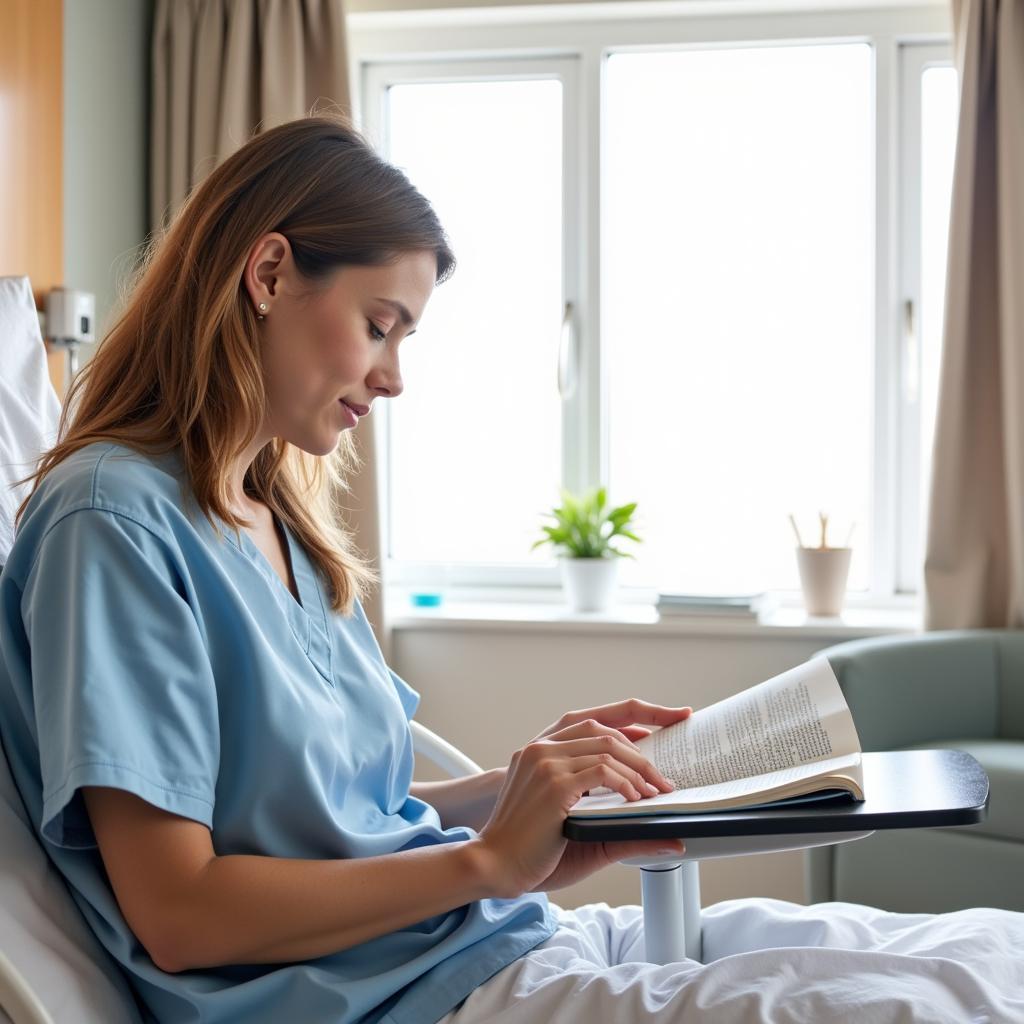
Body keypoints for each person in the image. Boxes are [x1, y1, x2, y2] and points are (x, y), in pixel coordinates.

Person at [0, 115, 1021, 1024]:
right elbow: (181, 914)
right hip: (387, 994)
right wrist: (487, 860)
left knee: (988, 949)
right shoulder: (113, 522)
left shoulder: (275, 518)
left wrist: (540, 796)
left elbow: (347, 823)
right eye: (379, 325)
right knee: (940, 1002)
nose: (394, 376)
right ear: (268, 274)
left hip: (475, 942)